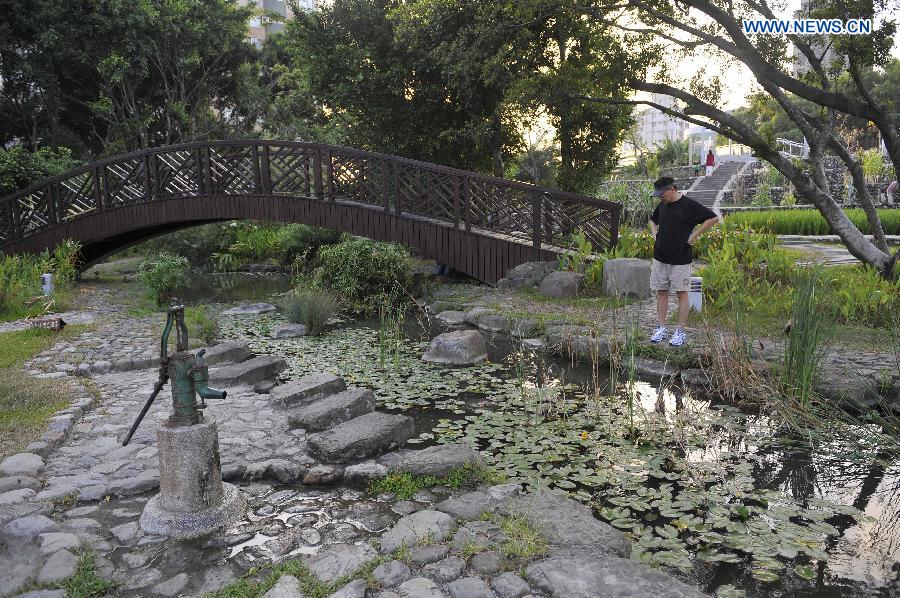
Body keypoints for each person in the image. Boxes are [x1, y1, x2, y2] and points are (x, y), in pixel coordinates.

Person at [647, 176, 720, 347]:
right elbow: (653, 219)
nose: (660, 197)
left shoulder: (689, 206)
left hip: (680, 258)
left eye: (662, 193)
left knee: (682, 294)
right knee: (661, 292)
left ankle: (680, 331)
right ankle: (662, 327)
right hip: (660, 257)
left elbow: (713, 218)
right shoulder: (663, 205)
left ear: (672, 189)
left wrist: (693, 236)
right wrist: (655, 234)